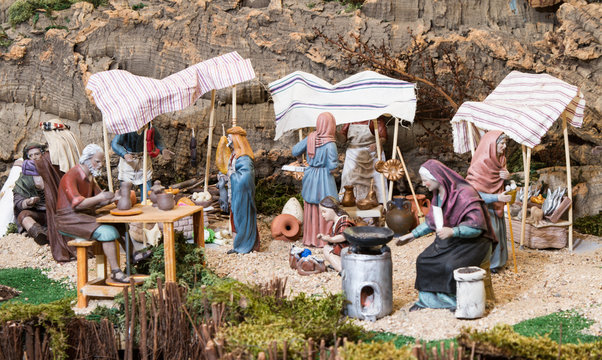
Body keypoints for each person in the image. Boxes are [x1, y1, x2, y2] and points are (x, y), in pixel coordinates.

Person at [396, 160, 496, 311]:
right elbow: (432, 222)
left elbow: (477, 227)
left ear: (437, 177)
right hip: (452, 240)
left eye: (425, 180)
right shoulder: (437, 195)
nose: (424, 184)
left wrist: (453, 231)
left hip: (475, 242)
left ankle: (455, 300)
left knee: (450, 265)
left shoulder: (465, 193)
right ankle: (427, 300)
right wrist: (411, 235)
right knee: (423, 260)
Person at [56, 144, 140, 283]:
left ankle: (133, 255)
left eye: (102, 162)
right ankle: (116, 272)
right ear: (87, 159)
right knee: (108, 232)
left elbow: (98, 201)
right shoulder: (71, 176)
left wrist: (114, 198)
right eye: (97, 161)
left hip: (85, 215)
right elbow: (78, 204)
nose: (100, 165)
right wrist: (101, 198)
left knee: (121, 225)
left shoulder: (90, 177)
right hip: (69, 219)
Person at [466, 131, 512, 273]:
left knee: (500, 232)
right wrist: (496, 198)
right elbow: (473, 194)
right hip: (483, 209)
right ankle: (487, 263)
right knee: (490, 234)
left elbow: (499, 184)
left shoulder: (500, 161)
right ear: (491, 145)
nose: (504, 147)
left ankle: (498, 262)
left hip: (496, 207)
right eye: (501, 143)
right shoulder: (479, 166)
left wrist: (507, 177)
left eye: (505, 143)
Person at [292, 112, 338, 248]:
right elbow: (333, 165)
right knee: (326, 207)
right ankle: (325, 239)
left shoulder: (310, 138)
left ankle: (310, 238)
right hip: (324, 177)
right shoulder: (330, 144)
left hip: (310, 175)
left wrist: (301, 160)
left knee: (311, 207)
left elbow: (295, 150)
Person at [338, 116, 387, 202]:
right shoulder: (350, 120)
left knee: (375, 184)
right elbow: (343, 139)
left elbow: (383, 137)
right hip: (353, 156)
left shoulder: (375, 119)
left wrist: (377, 143)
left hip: (371, 155)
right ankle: (350, 203)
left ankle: (378, 205)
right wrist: (334, 133)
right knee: (349, 182)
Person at [111, 126, 174, 192]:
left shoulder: (149, 126)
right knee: (125, 191)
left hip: (144, 160)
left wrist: (163, 149)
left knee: (147, 190)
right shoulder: (126, 127)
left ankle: (145, 200)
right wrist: (124, 154)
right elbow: (115, 143)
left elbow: (158, 139)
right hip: (128, 163)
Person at [226, 126, 259, 254]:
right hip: (236, 193)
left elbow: (246, 177)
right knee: (234, 218)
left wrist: (232, 176)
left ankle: (243, 246)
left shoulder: (244, 158)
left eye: (230, 138)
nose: (228, 141)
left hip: (243, 195)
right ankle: (237, 245)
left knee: (241, 218)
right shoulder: (235, 155)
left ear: (236, 139)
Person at [13, 143, 47, 245]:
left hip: (53, 211)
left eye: (37, 154)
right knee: (23, 216)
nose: (34, 158)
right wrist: (28, 202)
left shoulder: (50, 171)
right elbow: (18, 199)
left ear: (43, 155)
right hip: (38, 212)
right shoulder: (25, 177)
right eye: (30, 155)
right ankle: (39, 234)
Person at [317, 196, 355, 272]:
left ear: (332, 209)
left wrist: (330, 239)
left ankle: (343, 270)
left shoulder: (344, 220)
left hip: (350, 250)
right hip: (342, 249)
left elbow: (344, 236)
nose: (322, 215)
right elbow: (333, 235)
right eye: (321, 212)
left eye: (324, 211)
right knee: (327, 248)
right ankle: (339, 265)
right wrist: (325, 237)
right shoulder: (336, 222)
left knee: (327, 250)